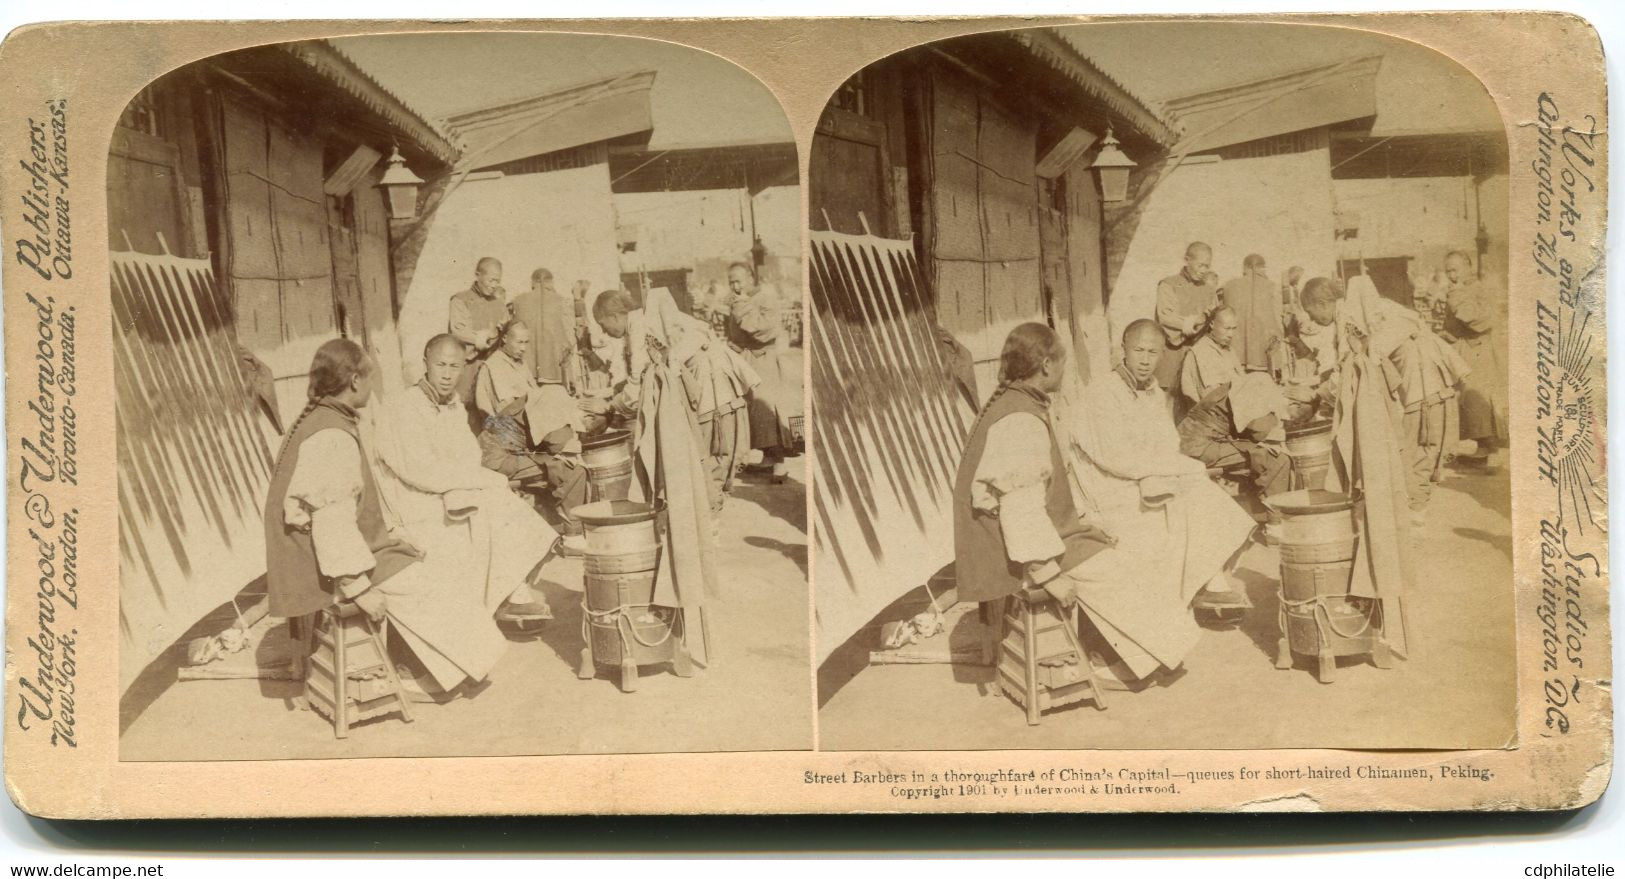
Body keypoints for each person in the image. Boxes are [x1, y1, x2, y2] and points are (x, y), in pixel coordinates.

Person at [264, 339, 506, 702]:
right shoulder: (331, 436)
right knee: (439, 584)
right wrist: (359, 588)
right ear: (355, 382)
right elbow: (332, 524)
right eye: (370, 377)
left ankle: (437, 664)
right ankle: (428, 677)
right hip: (320, 561)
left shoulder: (324, 417)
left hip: (334, 547)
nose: (373, 385)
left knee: (435, 561)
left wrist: (392, 533)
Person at [370, 334, 559, 626]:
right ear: (426, 364)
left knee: (501, 500)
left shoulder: (454, 406)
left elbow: (468, 457)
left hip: (448, 488)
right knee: (491, 502)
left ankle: (509, 590)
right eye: (440, 365)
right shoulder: (405, 406)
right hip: (412, 500)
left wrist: (476, 480)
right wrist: (480, 481)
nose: (447, 375)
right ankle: (508, 594)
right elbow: (419, 471)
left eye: (454, 367)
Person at [1291, 277, 1414, 655]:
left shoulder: (1354, 334)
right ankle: (1369, 593)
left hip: (1370, 436)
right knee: (1363, 508)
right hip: (1366, 433)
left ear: (1324, 305)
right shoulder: (1350, 336)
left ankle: (1376, 599)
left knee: (1372, 512)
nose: (1313, 320)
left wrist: (1314, 393)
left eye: (1314, 313)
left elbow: (1349, 379)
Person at [472, 321, 589, 546]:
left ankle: (566, 529)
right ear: (504, 338)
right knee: (565, 466)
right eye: (519, 341)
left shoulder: (518, 363)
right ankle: (569, 533)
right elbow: (512, 410)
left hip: (520, 441)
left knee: (566, 462)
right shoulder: (495, 366)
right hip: (501, 445)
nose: (524, 347)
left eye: (527, 342)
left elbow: (534, 404)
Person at [1177, 306, 1291, 498]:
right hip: (1205, 439)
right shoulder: (1202, 353)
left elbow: (1241, 392)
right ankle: (1263, 509)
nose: (1231, 334)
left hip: (1224, 432)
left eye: (1234, 329)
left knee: (1276, 450)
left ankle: (1260, 506)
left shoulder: (1227, 351)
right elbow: (1217, 401)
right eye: (1226, 328)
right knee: (1275, 457)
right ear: (1212, 324)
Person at [726, 262, 805, 480]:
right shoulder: (739, 301)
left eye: (738, 280)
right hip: (748, 360)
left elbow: (761, 331)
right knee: (755, 414)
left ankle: (780, 465)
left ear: (751, 278)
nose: (734, 285)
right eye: (731, 281)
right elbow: (737, 333)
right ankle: (767, 458)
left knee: (769, 412)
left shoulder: (765, 298)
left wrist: (741, 307)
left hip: (766, 361)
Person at [1440, 250, 1507, 462]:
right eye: (1448, 271)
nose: (1452, 275)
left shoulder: (1472, 290)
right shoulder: (1464, 289)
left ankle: (1488, 449)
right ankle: (1483, 447)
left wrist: (1456, 296)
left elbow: (1474, 318)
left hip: (1475, 350)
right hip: (1465, 348)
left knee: (1475, 397)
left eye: (1455, 270)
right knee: (1468, 399)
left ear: (1467, 267)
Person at [1154, 242, 1222, 408]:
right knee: (1169, 400)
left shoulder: (1209, 290)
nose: (1203, 270)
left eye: (1207, 266)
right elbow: (1166, 317)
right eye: (1200, 265)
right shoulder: (1168, 285)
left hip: (1200, 354)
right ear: (1187, 260)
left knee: (1198, 399)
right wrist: (1193, 322)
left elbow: (1214, 319)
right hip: (1173, 352)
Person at [448, 257, 512, 407]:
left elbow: (504, 332)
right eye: (491, 280)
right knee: (464, 407)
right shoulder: (460, 300)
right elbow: (458, 331)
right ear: (478, 275)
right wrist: (483, 338)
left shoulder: (499, 305)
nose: (494, 286)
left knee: (492, 410)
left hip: (493, 368)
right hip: (467, 366)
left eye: (497, 281)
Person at [507, 267, 577, 388]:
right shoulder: (563, 301)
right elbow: (572, 336)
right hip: (555, 368)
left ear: (533, 282)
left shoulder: (517, 300)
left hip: (525, 366)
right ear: (551, 282)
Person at [1219, 253, 1284, 375]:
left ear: (1245, 267)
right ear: (1261, 267)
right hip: (1265, 354)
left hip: (1235, 354)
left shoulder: (1228, 285)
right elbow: (1280, 319)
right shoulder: (1272, 287)